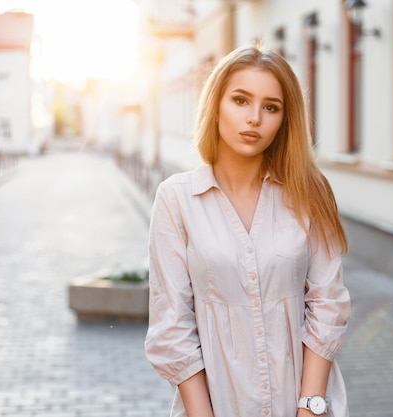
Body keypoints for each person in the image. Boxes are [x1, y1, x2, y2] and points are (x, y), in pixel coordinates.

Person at [145, 44, 351, 417]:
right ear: (216, 105)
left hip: (303, 401)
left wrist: (310, 407)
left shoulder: (309, 192)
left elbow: (328, 303)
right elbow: (171, 324)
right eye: (241, 100)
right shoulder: (176, 200)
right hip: (215, 404)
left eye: (271, 107)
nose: (254, 118)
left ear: (285, 119)